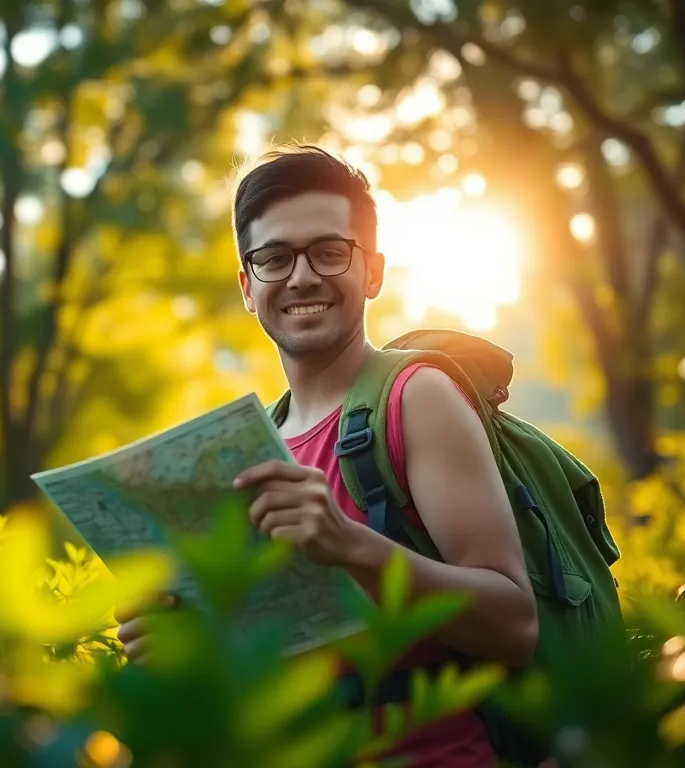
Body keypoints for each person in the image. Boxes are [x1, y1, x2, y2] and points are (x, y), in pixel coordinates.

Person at [115, 144, 539, 767]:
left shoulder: (416, 397)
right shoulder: (251, 449)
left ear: (372, 271)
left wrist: (352, 545)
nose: (302, 276)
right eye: (274, 258)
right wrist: (184, 649)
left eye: (329, 251)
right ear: (246, 286)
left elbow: (514, 625)